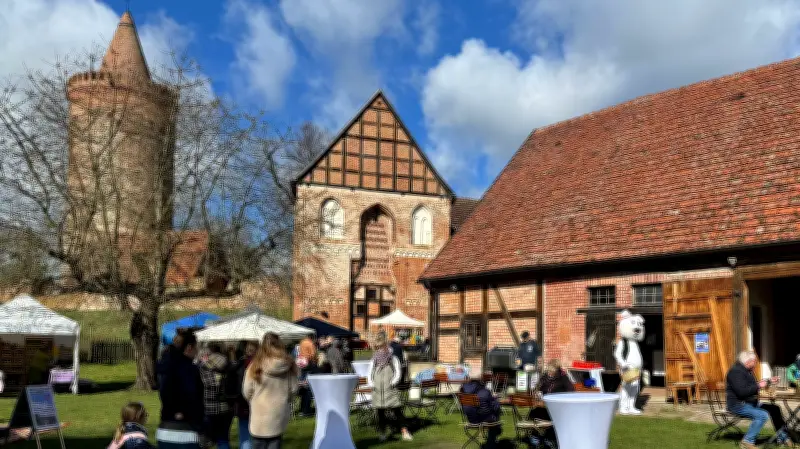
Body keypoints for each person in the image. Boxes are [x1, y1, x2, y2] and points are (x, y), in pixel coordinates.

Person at [726, 351, 796, 448]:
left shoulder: (746, 371)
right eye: (754, 361)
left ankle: (783, 438)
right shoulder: (735, 372)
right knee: (762, 415)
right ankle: (747, 442)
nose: (756, 363)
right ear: (748, 361)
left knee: (775, 409)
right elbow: (742, 392)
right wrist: (759, 385)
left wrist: (768, 380)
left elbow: (752, 386)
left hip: (750, 403)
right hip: (738, 405)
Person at [243, 333, 299, 449]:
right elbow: (294, 390)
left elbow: (246, 391)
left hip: (259, 414)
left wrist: (255, 400)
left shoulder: (254, 366)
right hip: (278, 414)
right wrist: (284, 399)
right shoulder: (288, 365)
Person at [157, 331, 205, 449]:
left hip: (165, 427)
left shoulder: (164, 365)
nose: (197, 351)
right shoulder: (188, 369)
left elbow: (163, 391)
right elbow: (191, 395)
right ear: (189, 347)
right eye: (196, 348)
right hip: (185, 430)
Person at [369, 332, 412, 442]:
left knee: (397, 410)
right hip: (378, 388)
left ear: (385, 345)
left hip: (390, 388)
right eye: (377, 347)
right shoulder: (374, 358)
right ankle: (382, 433)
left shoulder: (392, 357)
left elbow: (398, 371)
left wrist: (393, 382)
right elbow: (370, 371)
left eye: (381, 346)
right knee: (380, 412)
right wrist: (371, 383)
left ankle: (404, 431)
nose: (379, 349)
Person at [529, 359, 574, 447]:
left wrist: (559, 398)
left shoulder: (563, 377)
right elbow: (538, 387)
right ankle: (537, 437)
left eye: (551, 371)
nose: (550, 373)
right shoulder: (545, 376)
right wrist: (537, 391)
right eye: (549, 371)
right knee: (535, 412)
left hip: (558, 407)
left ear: (557, 370)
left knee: (545, 415)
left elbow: (571, 391)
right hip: (544, 404)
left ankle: (547, 438)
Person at [199, 344, 234, 449]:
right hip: (226, 407)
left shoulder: (203, 368)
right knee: (223, 438)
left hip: (208, 407)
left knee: (204, 440)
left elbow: (204, 385)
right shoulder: (229, 364)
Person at [228, 341, 258, 449]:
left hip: (242, 401)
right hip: (256, 402)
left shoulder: (240, 364)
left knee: (244, 435)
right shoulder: (260, 364)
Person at [459, 378, 501, 449]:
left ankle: (491, 443)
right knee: (495, 419)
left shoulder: (464, 393)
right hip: (484, 420)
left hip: (471, 420)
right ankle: (491, 444)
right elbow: (493, 408)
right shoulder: (485, 392)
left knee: (493, 419)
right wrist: (495, 401)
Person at [297, 336, 317, 417]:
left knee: (302, 385)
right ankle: (306, 409)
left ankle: (302, 408)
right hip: (308, 363)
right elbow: (313, 354)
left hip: (302, 363)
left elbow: (299, 352)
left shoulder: (302, 342)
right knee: (307, 387)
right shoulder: (310, 343)